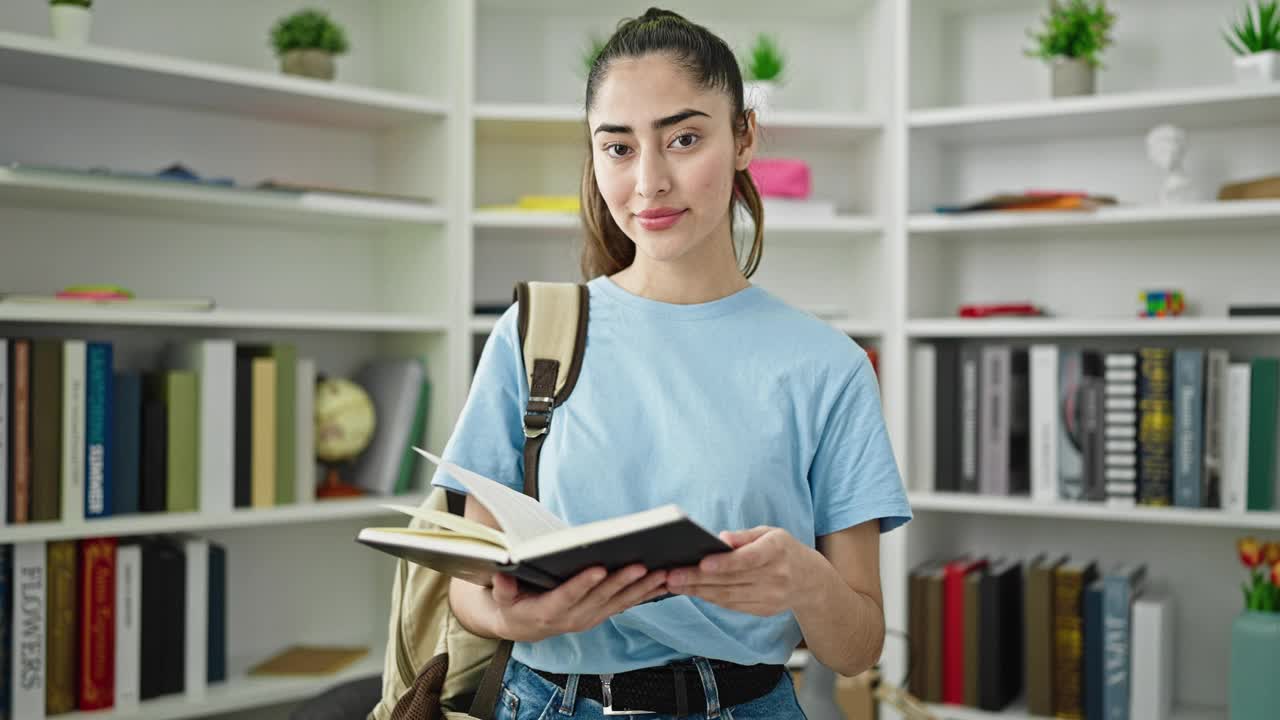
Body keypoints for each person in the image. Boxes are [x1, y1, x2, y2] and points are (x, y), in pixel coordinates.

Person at [431, 7, 911, 719]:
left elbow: (858, 647)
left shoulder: (829, 367)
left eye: (684, 138)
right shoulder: (534, 335)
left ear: (744, 135)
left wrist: (803, 581)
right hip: (547, 701)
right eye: (618, 149)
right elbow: (468, 585)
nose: (649, 182)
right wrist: (517, 620)